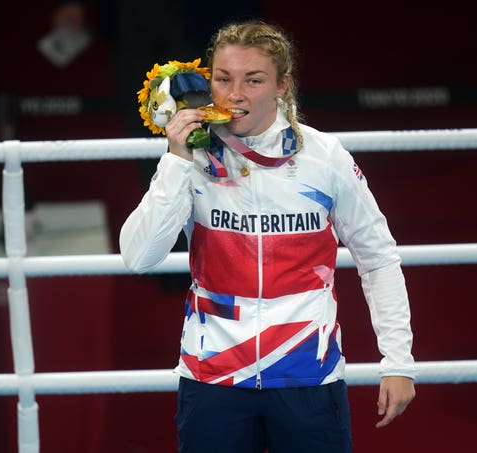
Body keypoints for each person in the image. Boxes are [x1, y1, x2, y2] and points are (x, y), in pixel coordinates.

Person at [119, 20, 416, 453]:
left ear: (282, 85)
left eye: (252, 80)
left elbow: (378, 257)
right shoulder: (191, 158)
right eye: (223, 79)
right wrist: (176, 160)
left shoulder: (323, 157)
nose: (235, 94)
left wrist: (398, 362)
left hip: (307, 376)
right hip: (212, 378)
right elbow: (138, 257)